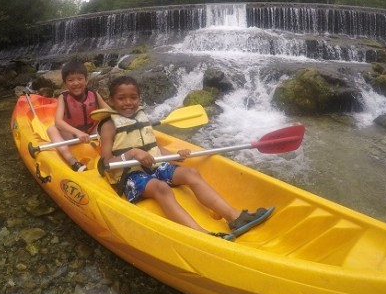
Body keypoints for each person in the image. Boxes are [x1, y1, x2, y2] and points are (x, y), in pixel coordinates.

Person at [98, 75, 271, 236]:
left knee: (191, 173)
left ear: (139, 98)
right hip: (130, 176)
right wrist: (132, 153)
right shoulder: (109, 126)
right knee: (161, 188)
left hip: (154, 166)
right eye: (121, 98)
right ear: (111, 101)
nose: (128, 102)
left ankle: (235, 218)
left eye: (133, 97)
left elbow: (153, 147)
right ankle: (200, 234)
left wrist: (173, 156)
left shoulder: (141, 117)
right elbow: (105, 163)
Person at [47, 60, 109, 171]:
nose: (76, 83)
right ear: (65, 83)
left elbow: (109, 112)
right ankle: (72, 160)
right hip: (72, 135)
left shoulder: (94, 94)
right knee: (52, 129)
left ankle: (109, 154)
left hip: (92, 132)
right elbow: (58, 122)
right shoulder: (63, 98)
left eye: (80, 79)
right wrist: (78, 132)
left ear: (86, 80)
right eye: (71, 80)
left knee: (109, 122)